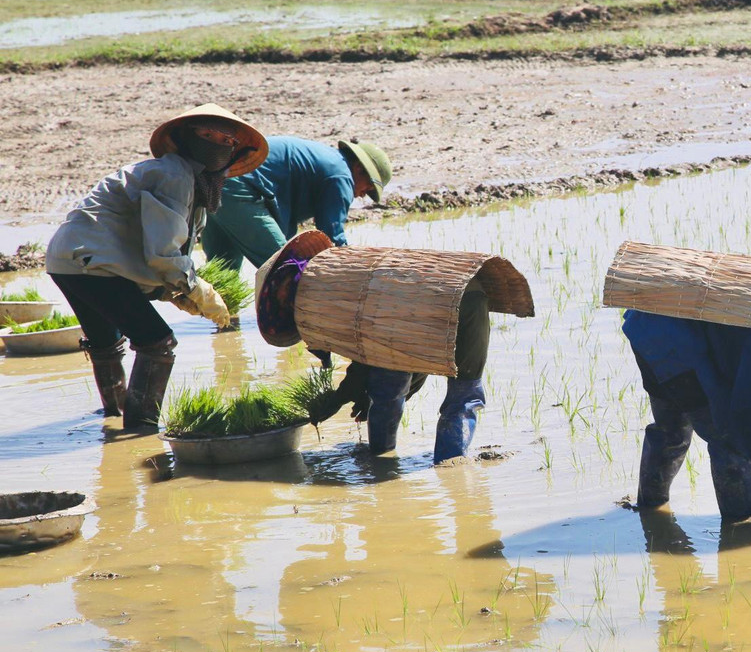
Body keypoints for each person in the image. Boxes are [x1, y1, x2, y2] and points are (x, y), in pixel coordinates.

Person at [45, 104, 268, 431]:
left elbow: (142, 248)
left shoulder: (187, 181)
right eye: (207, 134)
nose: (217, 143)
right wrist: (197, 290)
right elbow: (162, 253)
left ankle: (114, 417)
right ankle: (142, 430)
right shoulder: (175, 175)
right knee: (157, 342)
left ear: (235, 152)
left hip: (67, 260)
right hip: (91, 263)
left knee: (107, 342)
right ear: (186, 136)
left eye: (227, 140)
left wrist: (171, 291)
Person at [622, 308, 751, 536]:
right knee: (731, 443)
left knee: (671, 431)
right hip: (673, 340)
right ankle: (744, 527)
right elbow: (748, 414)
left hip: (647, 324)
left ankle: (650, 512)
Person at [323, 284, 490, 465]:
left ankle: (381, 458)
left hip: (414, 300)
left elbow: (368, 363)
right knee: (465, 393)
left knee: (390, 383)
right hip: (471, 298)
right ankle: (451, 462)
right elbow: (417, 368)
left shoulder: (371, 295)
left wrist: (337, 399)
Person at [201, 136, 391, 270]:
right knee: (285, 269)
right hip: (239, 189)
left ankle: (225, 325)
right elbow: (332, 235)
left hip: (214, 182)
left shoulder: (330, 161)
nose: (363, 195)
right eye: (369, 188)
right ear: (358, 168)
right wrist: (353, 272)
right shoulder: (340, 176)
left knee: (223, 271)